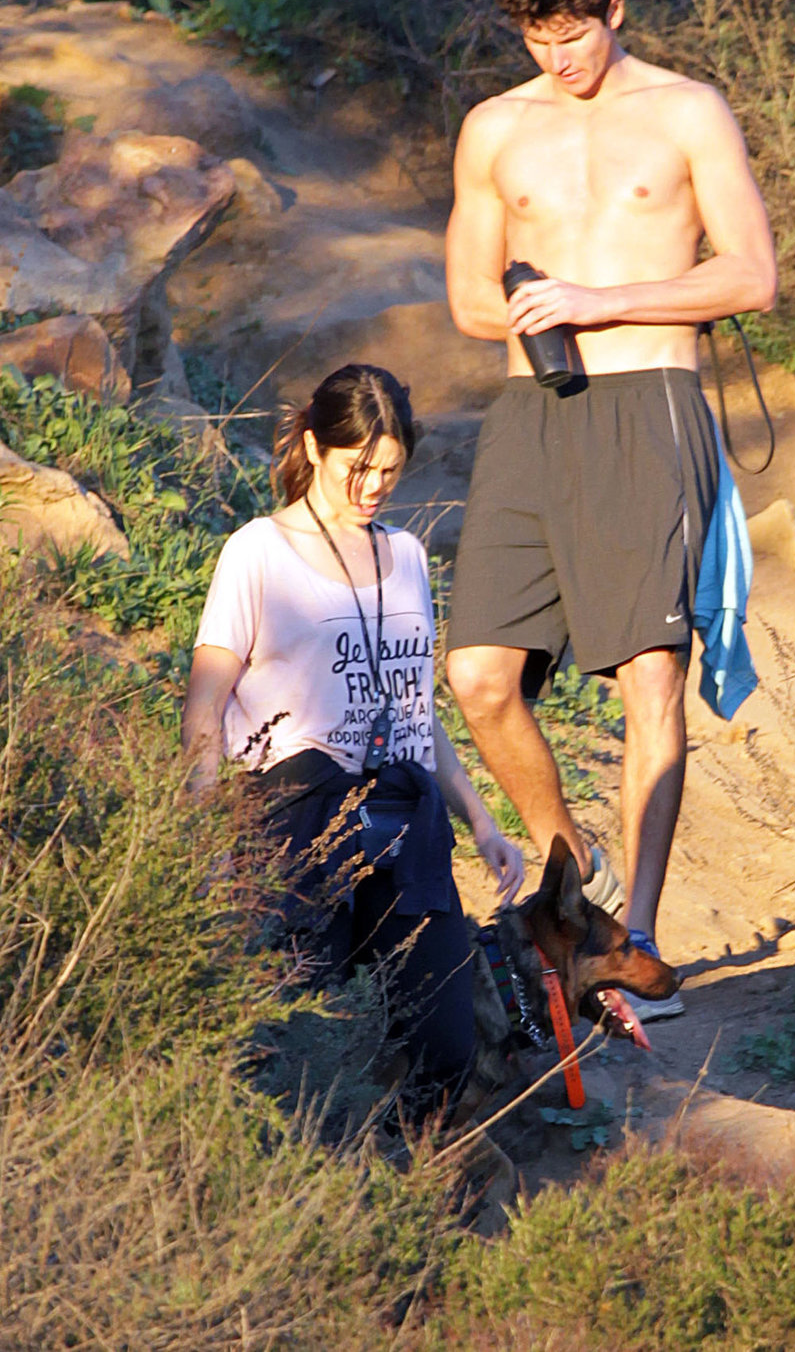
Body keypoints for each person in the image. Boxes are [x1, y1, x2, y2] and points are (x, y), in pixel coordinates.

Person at [444, 0, 777, 1019]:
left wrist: (597, 302)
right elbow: (470, 300)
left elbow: (751, 274)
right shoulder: (496, 127)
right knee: (481, 679)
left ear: (617, 10)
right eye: (540, 39)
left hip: (650, 407)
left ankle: (637, 941)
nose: (562, 59)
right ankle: (567, 882)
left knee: (648, 682)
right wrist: (537, 311)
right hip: (532, 418)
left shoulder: (687, 111)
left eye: (577, 34)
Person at [181, 364, 524, 1123]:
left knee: (446, 1038)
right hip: (299, 814)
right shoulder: (256, 552)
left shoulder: (404, 555)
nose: (372, 487)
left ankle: (412, 1183)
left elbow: (414, 709)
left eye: (390, 471)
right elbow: (205, 700)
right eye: (356, 468)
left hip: (405, 812)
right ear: (313, 445)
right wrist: (204, 833)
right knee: (297, 1028)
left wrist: (484, 821)